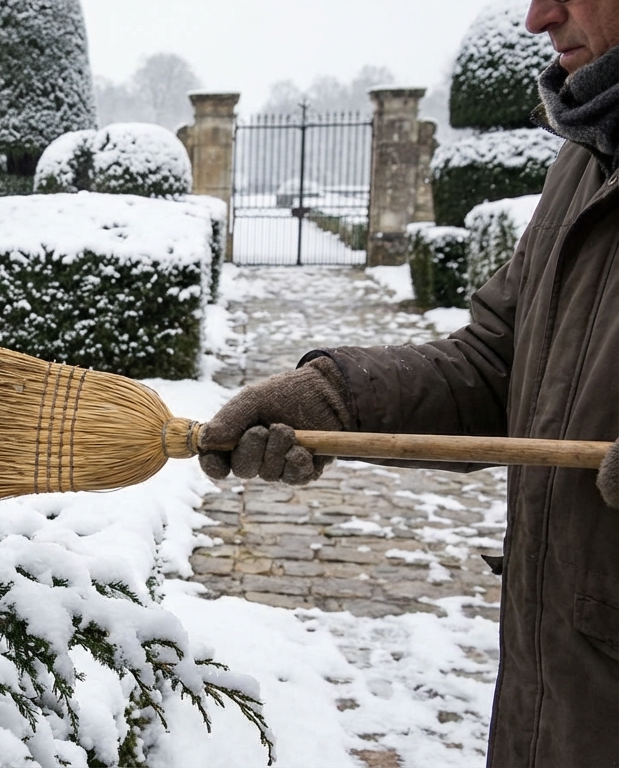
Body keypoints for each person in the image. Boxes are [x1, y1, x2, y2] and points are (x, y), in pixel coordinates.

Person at [198, 1, 619, 765]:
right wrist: (334, 397)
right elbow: (497, 364)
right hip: (557, 705)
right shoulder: (588, 159)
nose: (537, 16)